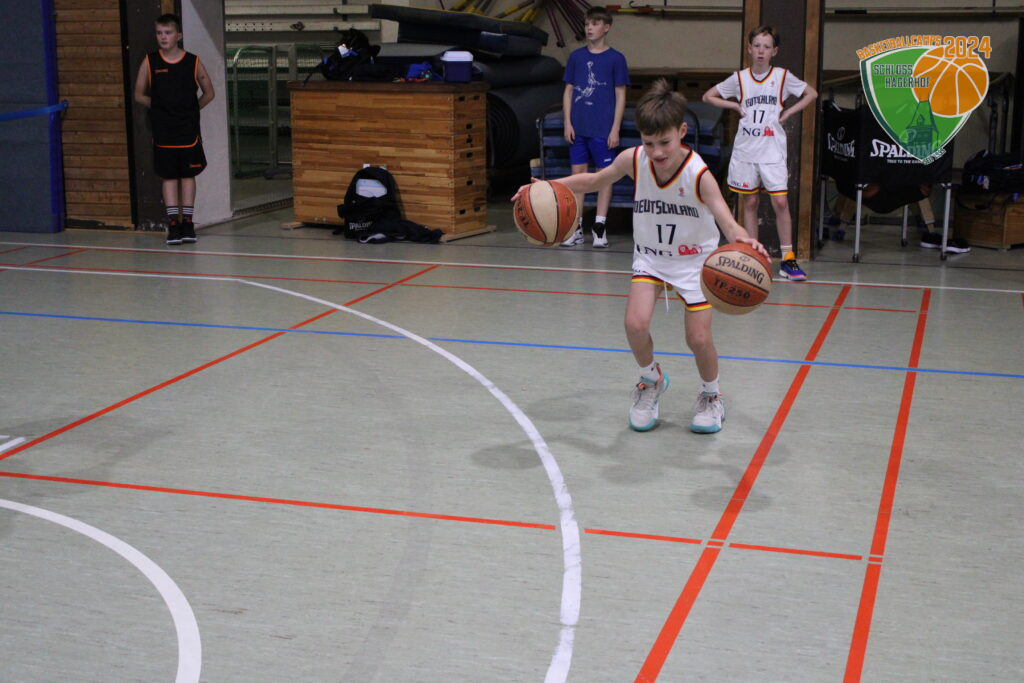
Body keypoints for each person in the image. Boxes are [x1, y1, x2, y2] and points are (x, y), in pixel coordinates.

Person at [514, 79, 768, 434]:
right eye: (649, 143)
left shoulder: (699, 175)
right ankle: (651, 380)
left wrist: (745, 240)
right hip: (651, 257)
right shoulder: (634, 159)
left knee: (698, 339)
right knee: (634, 324)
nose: (657, 151)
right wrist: (545, 186)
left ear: (681, 132)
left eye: (664, 142)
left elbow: (727, 222)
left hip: (695, 263)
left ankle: (711, 395)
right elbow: (593, 181)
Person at [702, 25, 817, 280]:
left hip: (772, 149)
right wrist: (733, 105)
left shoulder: (782, 76)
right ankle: (753, 256)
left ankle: (788, 258)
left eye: (766, 46)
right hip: (746, 150)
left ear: (774, 51)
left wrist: (789, 112)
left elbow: (811, 93)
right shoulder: (739, 79)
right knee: (750, 202)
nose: (761, 51)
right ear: (749, 49)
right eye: (757, 46)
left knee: (780, 202)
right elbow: (708, 96)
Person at [133, 13, 215, 246]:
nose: (163, 37)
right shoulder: (150, 62)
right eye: (159, 33)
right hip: (163, 131)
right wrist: (159, 108)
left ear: (178, 35)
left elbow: (209, 92)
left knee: (187, 175)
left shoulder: (193, 62)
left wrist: (192, 110)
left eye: (168, 33)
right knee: (169, 176)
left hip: (187, 130)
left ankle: (187, 223)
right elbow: (139, 94)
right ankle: (173, 225)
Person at [559, 6, 629, 249]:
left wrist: (615, 128)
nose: (589, 28)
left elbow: (620, 95)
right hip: (579, 127)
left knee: (604, 176)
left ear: (606, 27)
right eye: (587, 23)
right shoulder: (576, 57)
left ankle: (599, 225)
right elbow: (568, 90)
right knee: (577, 176)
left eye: (595, 24)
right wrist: (568, 122)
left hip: (603, 129)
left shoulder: (616, 59)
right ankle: (576, 226)